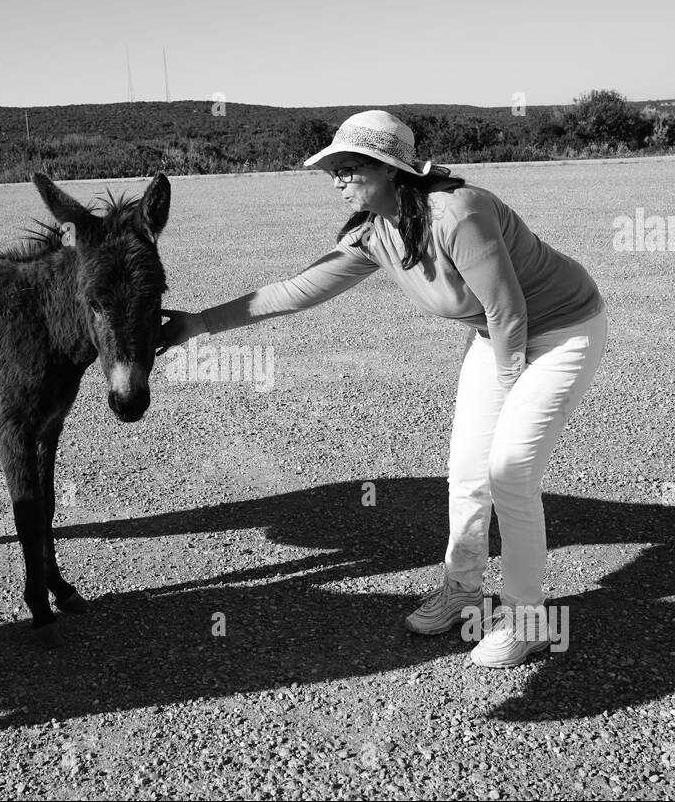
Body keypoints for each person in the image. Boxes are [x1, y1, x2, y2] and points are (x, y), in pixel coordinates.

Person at [157, 110, 608, 667]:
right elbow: (295, 290)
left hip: (562, 330)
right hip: (494, 337)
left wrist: (512, 390)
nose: (338, 180)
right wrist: (198, 324)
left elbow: (507, 309)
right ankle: (463, 590)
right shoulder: (376, 233)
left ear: (391, 170)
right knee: (468, 473)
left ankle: (527, 617)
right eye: (333, 171)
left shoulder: (459, 212)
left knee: (509, 471)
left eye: (348, 168)